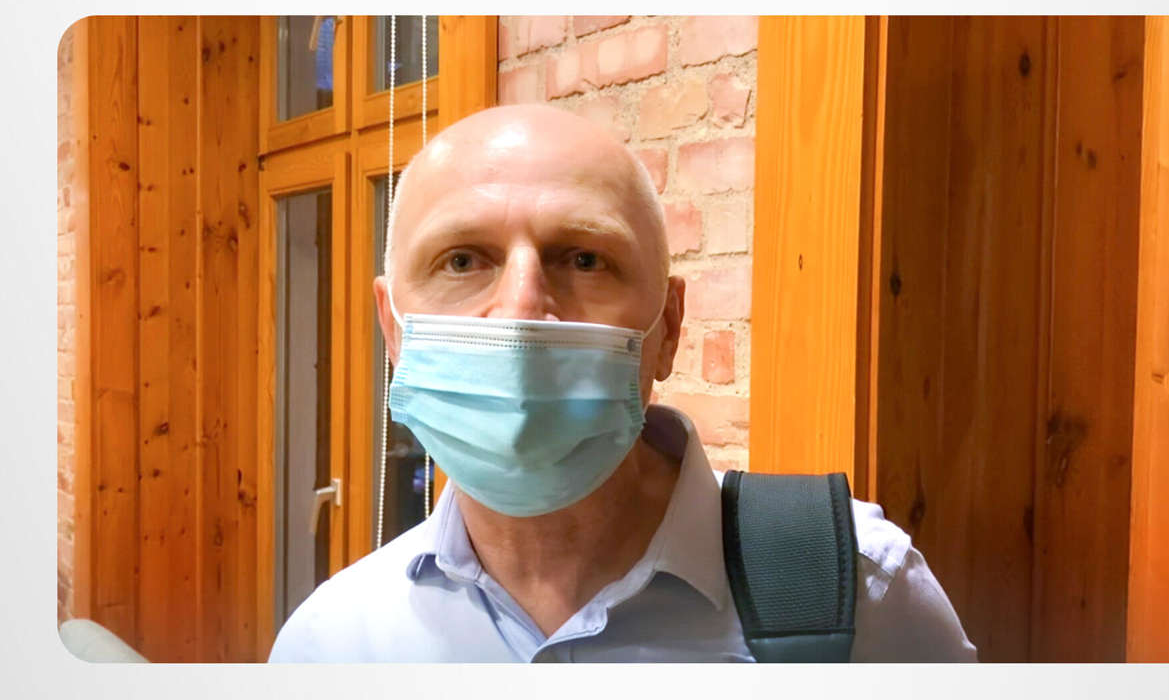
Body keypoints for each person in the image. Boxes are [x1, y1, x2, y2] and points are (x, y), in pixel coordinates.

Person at [268, 104, 977, 663]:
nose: (520, 311)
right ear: (393, 329)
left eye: (583, 259)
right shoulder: (328, 647)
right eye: (461, 261)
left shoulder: (863, 594)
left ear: (667, 327)